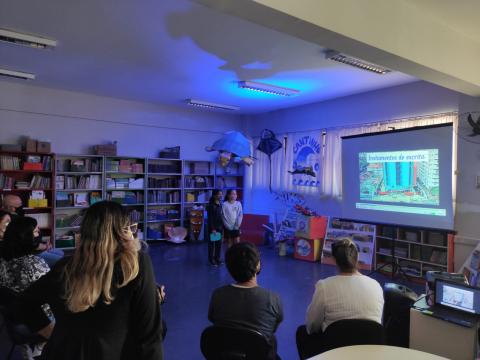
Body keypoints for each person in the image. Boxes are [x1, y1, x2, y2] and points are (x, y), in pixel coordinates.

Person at [14, 201, 164, 360]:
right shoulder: (136, 265)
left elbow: (22, 305)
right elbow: (149, 338)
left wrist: (52, 332)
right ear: (122, 233)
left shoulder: (64, 268)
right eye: (129, 228)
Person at [296, 238, 384, 359]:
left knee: (302, 332)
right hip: (369, 350)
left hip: (334, 351)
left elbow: (312, 326)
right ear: (357, 258)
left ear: (334, 260)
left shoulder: (324, 286)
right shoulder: (375, 285)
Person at [208, 242, 283, 359]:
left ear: (229, 267)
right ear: (257, 266)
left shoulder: (218, 295)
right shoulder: (272, 298)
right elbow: (272, 327)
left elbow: (213, 319)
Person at [0, 216, 52, 359]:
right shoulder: (34, 264)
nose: (39, 233)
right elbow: (52, 294)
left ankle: (34, 346)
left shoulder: (3, 258)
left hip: (12, 316)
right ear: (25, 237)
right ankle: (41, 346)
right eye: (36, 231)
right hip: (39, 320)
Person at [2, 194, 64, 267]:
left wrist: (44, 244)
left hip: (33, 248)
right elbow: (28, 244)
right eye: (20, 204)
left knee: (60, 252)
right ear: (12, 208)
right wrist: (45, 246)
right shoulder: (9, 220)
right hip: (26, 254)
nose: (22, 206)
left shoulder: (16, 217)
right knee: (61, 261)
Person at [207, 189, 224, 266]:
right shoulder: (211, 205)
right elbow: (210, 218)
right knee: (212, 245)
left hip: (220, 227)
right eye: (219, 194)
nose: (220, 195)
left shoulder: (220, 203)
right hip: (213, 228)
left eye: (221, 194)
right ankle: (211, 260)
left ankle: (217, 258)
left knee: (219, 244)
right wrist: (213, 229)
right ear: (214, 195)